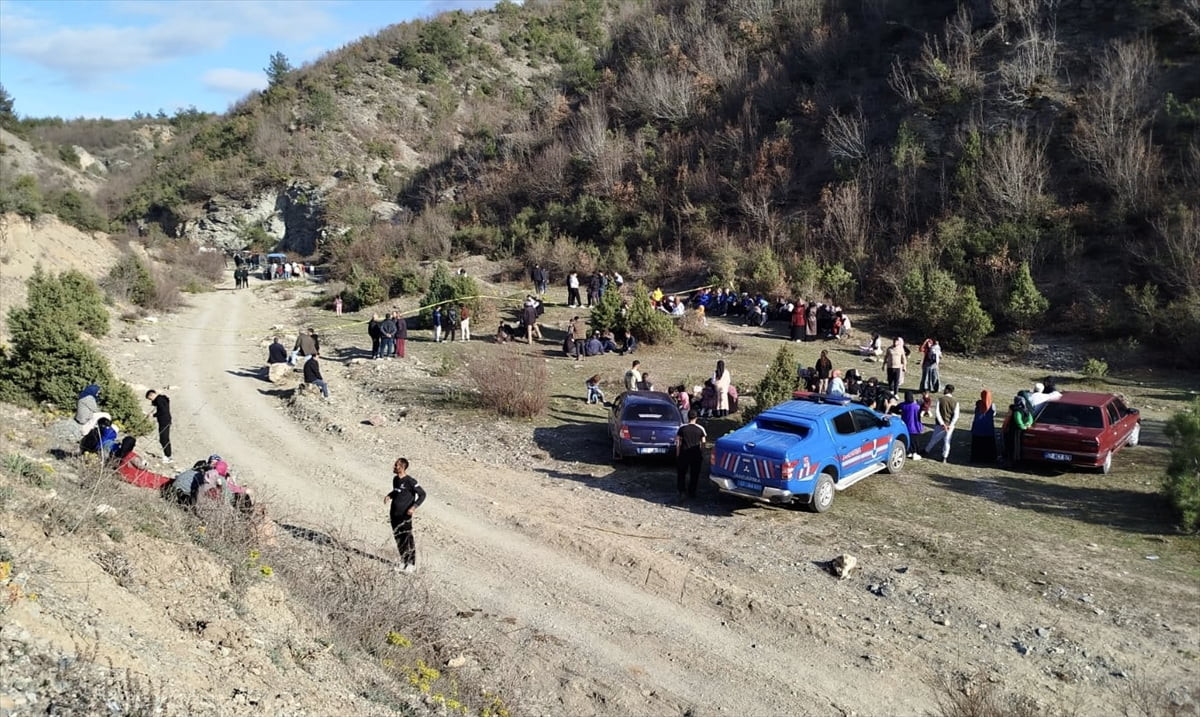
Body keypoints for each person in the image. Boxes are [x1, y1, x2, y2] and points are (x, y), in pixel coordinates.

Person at [385, 457, 426, 574]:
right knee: (398, 537)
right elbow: (397, 491)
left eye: (396, 465)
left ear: (402, 467)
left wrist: (413, 507)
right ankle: (403, 561)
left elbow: (423, 494)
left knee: (407, 538)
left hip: (405, 515)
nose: (394, 467)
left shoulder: (410, 481)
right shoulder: (395, 479)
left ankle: (411, 564)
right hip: (394, 513)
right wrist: (389, 496)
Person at [675, 410, 707, 500]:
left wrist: (677, 453)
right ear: (696, 418)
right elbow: (703, 443)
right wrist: (702, 453)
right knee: (694, 474)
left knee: (681, 473)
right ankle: (692, 492)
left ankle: (682, 491)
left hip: (684, 453)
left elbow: (678, 442)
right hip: (696, 454)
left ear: (688, 417)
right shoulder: (701, 429)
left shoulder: (682, 428)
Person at [924, 385, 960, 463]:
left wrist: (942, 424)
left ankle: (926, 451)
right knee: (947, 441)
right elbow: (956, 415)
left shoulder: (940, 400)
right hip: (950, 425)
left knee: (934, 439)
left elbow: (937, 413)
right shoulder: (955, 402)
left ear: (947, 390)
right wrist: (950, 425)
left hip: (940, 424)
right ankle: (944, 457)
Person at [1004, 390, 1036, 465]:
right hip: (1022, 430)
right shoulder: (1026, 409)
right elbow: (1030, 418)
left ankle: (1013, 460)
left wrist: (1023, 426)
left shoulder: (1016, 410)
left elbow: (1018, 420)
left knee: (1014, 445)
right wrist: (1028, 424)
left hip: (1015, 430)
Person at [143, 390, 174, 463]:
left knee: (164, 439)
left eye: (150, 399)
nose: (151, 400)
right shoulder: (162, 398)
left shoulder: (159, 400)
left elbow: (162, 411)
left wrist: (153, 415)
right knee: (163, 438)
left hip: (164, 421)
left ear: (151, 395)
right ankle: (167, 455)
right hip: (166, 421)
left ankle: (168, 456)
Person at [970, 389, 998, 464]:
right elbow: (994, 413)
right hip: (988, 428)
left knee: (977, 444)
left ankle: (976, 458)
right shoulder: (992, 405)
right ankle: (989, 459)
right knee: (988, 444)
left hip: (978, 427)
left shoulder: (978, 404)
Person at [898, 390, 924, 460]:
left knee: (907, 440)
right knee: (915, 441)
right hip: (915, 427)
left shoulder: (903, 405)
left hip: (906, 426)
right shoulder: (916, 406)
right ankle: (914, 453)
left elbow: (896, 409)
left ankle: (908, 452)